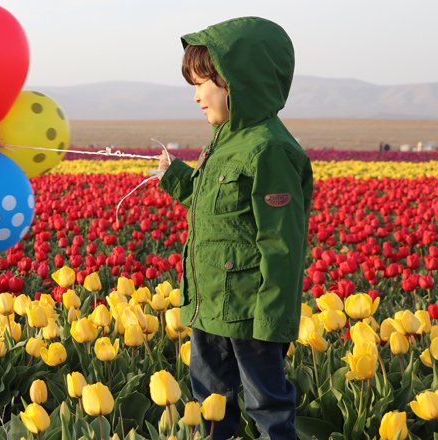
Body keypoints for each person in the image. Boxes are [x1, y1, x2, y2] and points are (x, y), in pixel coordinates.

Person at [156, 17, 313, 439]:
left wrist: (272, 323)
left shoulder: (271, 150)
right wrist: (173, 176)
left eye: (201, 84)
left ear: (236, 81)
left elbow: (282, 246)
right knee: (209, 407)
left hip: (251, 316)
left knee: (268, 409)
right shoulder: (224, 140)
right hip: (209, 308)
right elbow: (215, 206)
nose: (196, 98)